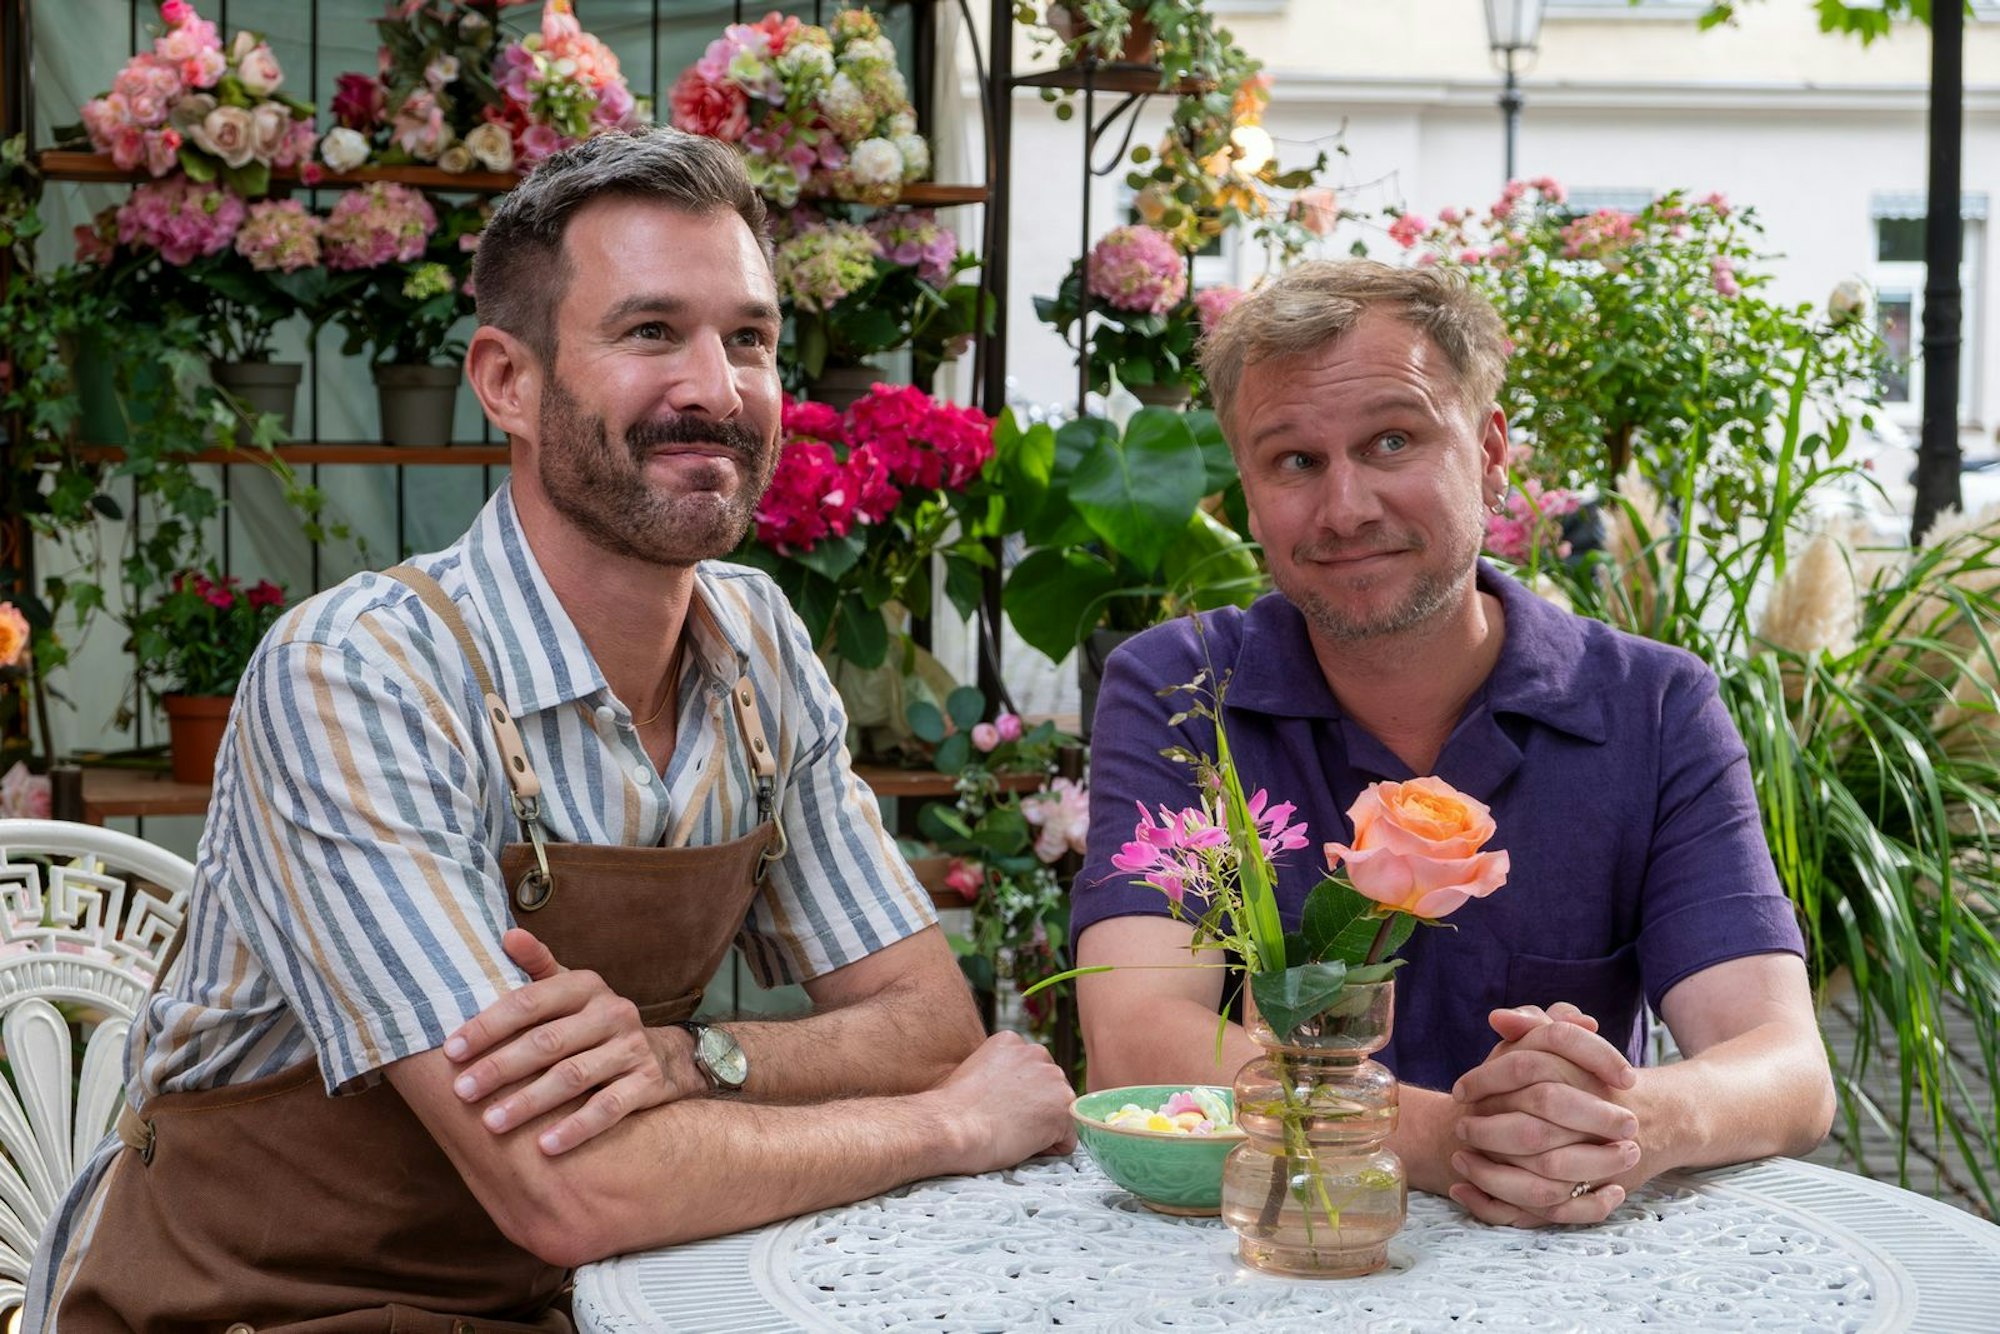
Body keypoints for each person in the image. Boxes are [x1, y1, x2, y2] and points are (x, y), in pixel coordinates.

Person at [28, 128, 1075, 1331]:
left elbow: (928, 1018)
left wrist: (690, 1059)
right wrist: (950, 1124)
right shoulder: (361, 671)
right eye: (648, 332)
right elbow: (570, 1184)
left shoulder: (759, 644)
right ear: (506, 382)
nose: (715, 390)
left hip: (591, 1296)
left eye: (748, 337)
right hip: (263, 1300)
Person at [1072, 259, 1833, 1228]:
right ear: (1246, 496)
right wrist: (1448, 1137)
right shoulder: (1184, 689)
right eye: (1294, 461)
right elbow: (1134, 1038)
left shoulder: (1652, 704)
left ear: (1488, 450)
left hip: (1564, 1269)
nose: (1345, 507)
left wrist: (1623, 1117)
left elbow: (1783, 1061)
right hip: (1264, 1252)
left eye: (1391, 440)